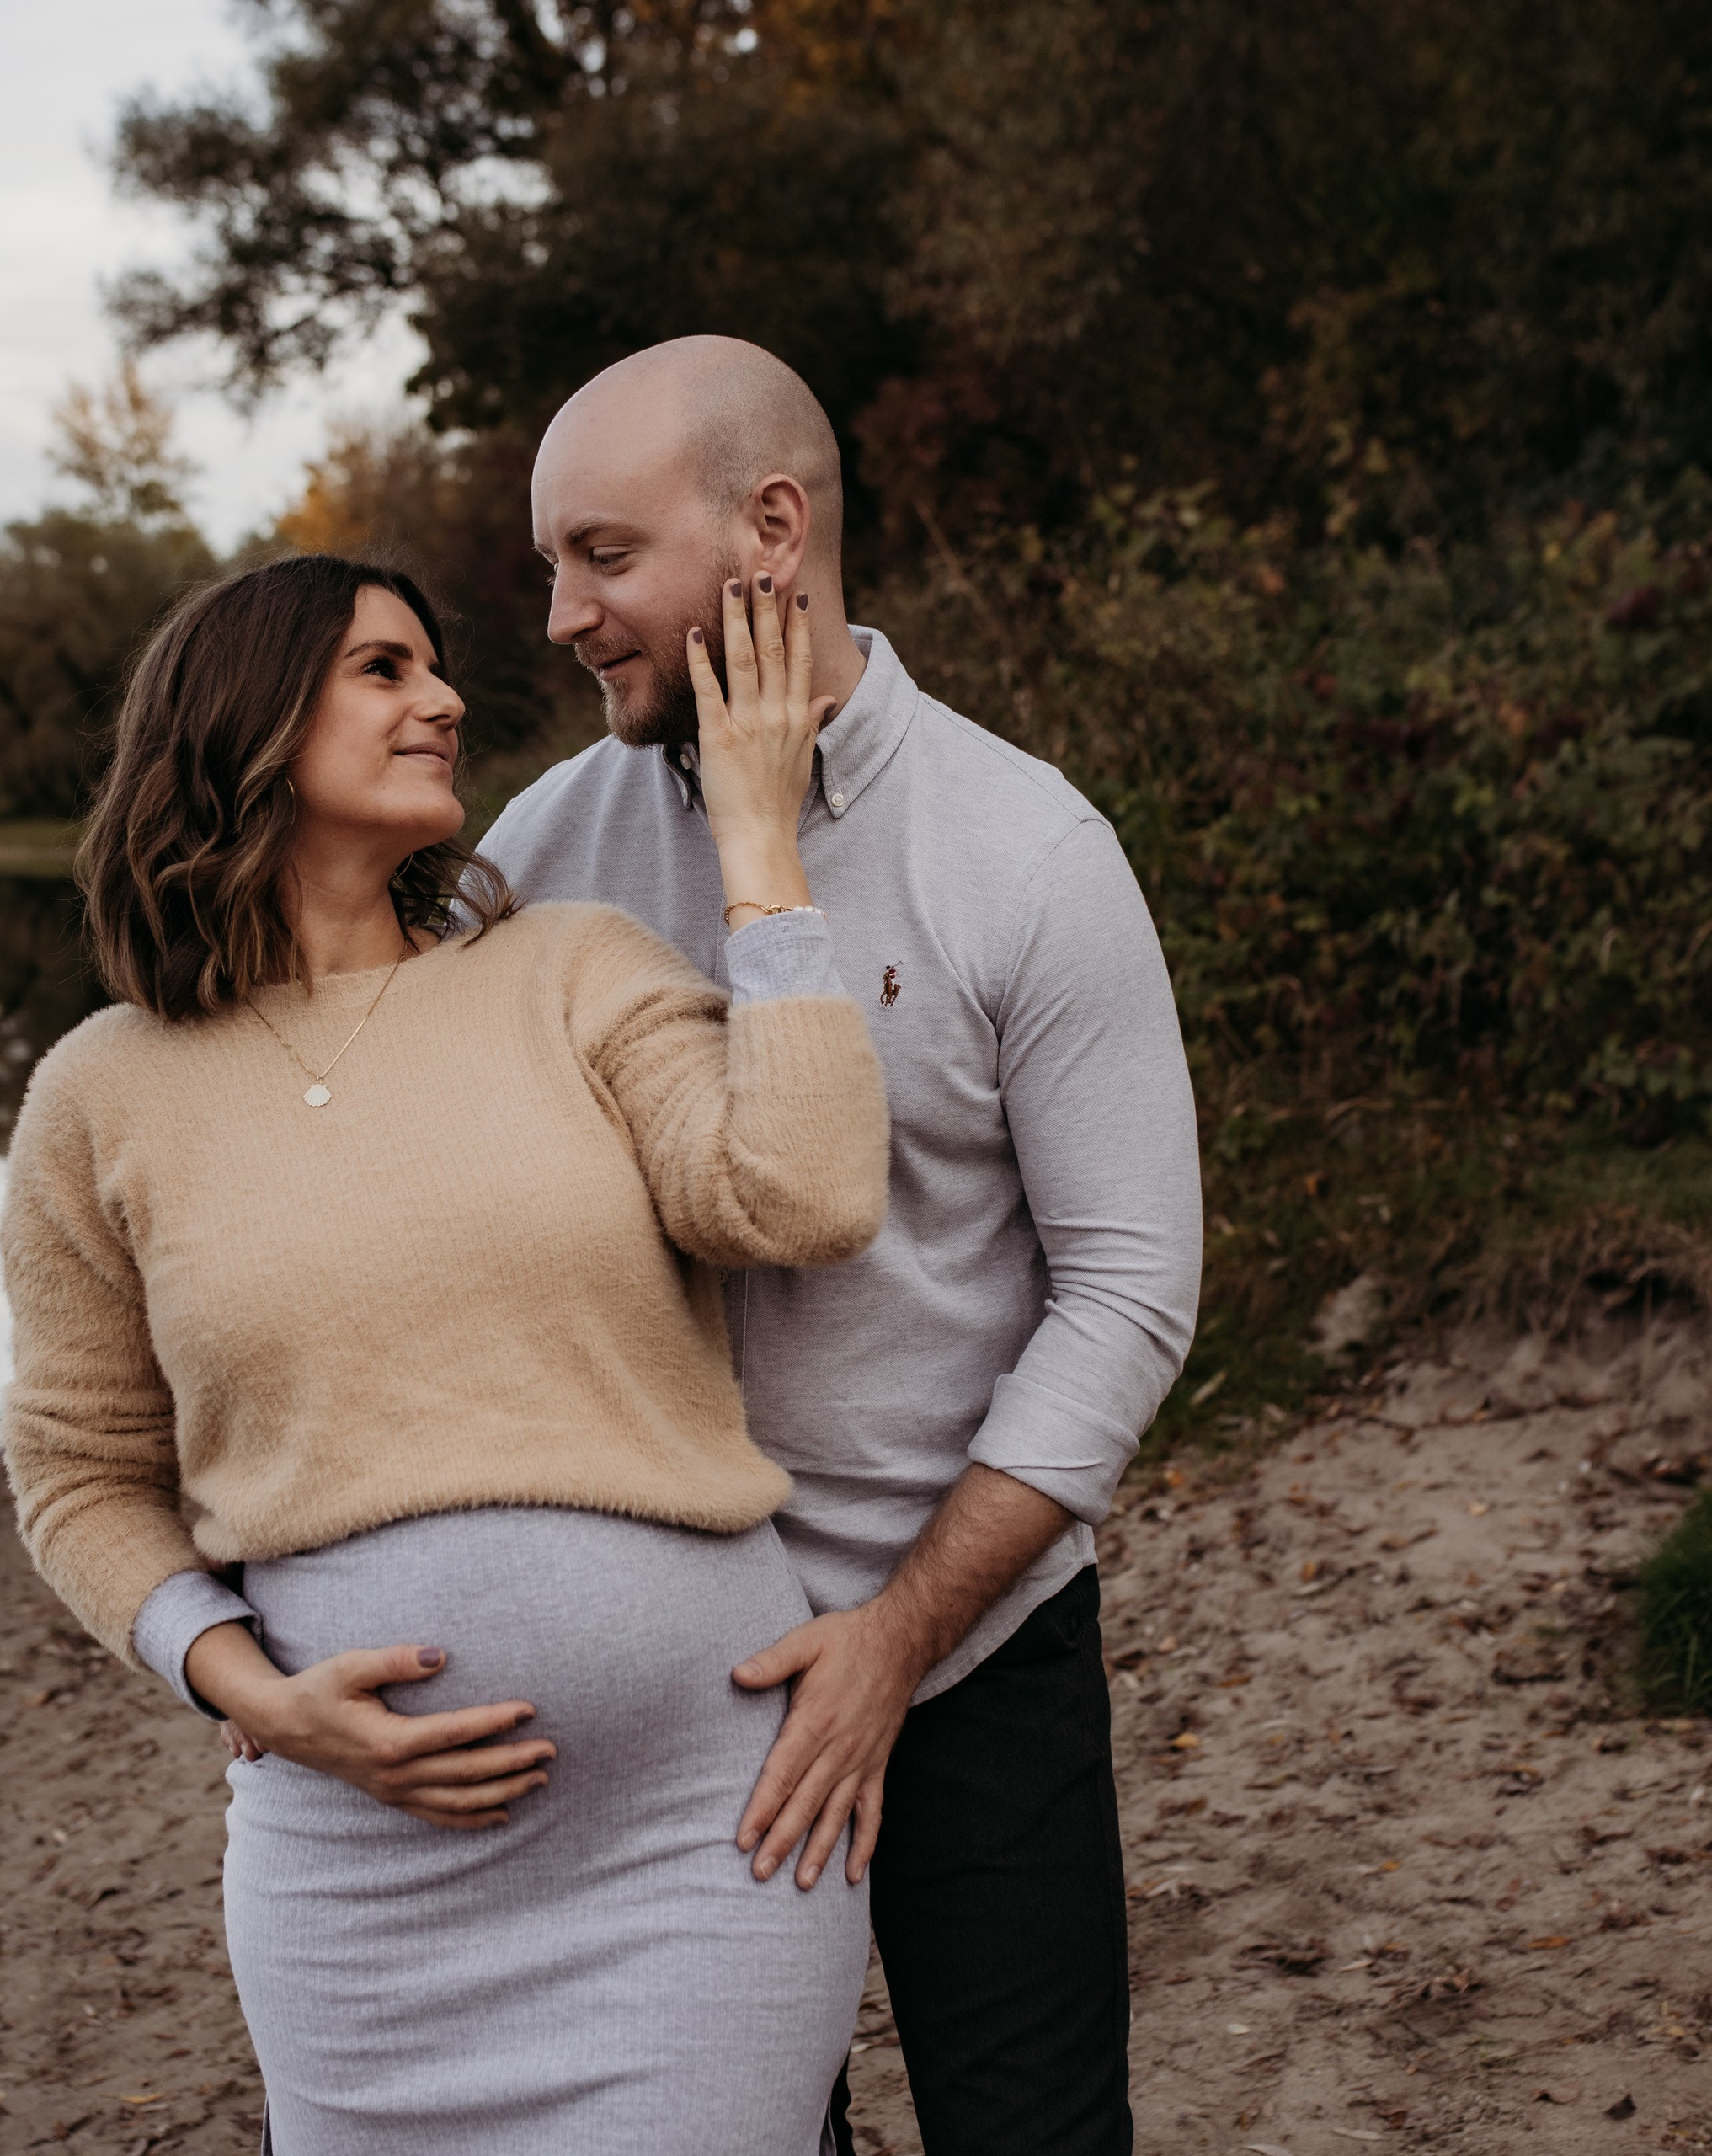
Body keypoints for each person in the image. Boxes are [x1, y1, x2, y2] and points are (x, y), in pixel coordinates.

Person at [0, 551, 891, 2155]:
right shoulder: (101, 1094)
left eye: (434, 666)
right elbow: (75, 1474)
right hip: (356, 1886)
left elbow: (804, 1195)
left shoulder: (574, 970)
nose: (447, 700)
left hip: (694, 1840)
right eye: (384, 669)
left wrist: (760, 846)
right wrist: (248, 1691)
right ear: (249, 720)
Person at [483, 336, 1205, 2156]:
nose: (561, 615)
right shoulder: (534, 861)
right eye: (551, 565)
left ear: (771, 530)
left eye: (602, 555)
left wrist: (899, 1631)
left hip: (971, 1642)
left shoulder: (1028, 853)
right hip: (664, 1675)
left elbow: (1127, 1294)